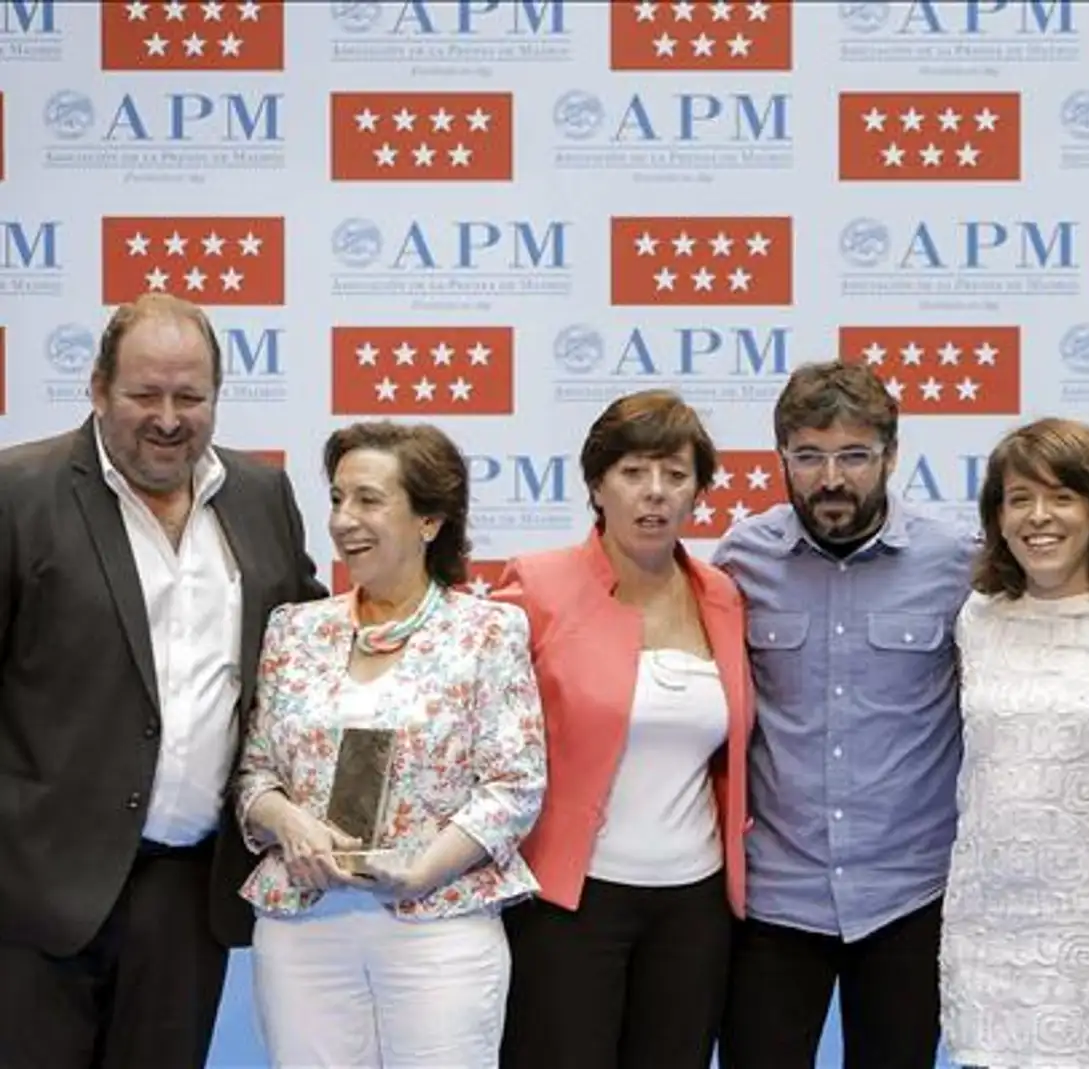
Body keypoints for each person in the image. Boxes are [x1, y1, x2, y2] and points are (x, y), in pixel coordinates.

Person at [0, 294, 327, 1069]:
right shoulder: (19, 493)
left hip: (188, 891)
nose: (169, 418)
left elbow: (307, 654)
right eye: (145, 395)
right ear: (97, 389)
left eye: (191, 396)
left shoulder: (261, 497)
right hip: (33, 889)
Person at [233, 420, 547, 1069]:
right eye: (339, 499)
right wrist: (285, 819)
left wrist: (421, 871)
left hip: (439, 925)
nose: (346, 520)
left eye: (370, 500)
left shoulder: (487, 631)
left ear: (430, 520)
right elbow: (254, 773)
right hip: (303, 928)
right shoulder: (295, 629)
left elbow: (514, 784)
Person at [713, 360, 980, 1068]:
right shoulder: (740, 560)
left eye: (855, 455)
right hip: (776, 893)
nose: (831, 478)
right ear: (782, 460)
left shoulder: (955, 561)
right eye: (809, 456)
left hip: (910, 894)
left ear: (891, 456)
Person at [495, 392, 754, 1069]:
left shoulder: (723, 594)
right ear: (596, 483)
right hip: (570, 904)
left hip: (695, 906)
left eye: (675, 473)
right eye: (634, 471)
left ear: (698, 490)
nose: (655, 493)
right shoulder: (538, 584)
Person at [940, 417, 1089, 1068]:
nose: (1038, 518)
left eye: (1061, 496)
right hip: (990, 932)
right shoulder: (978, 617)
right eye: (1019, 499)